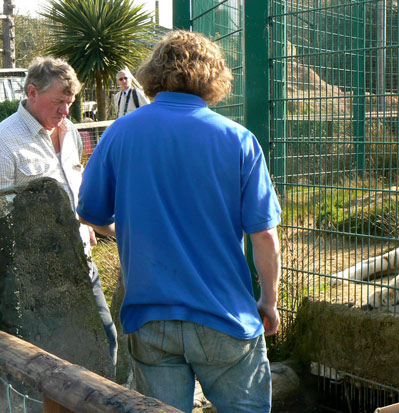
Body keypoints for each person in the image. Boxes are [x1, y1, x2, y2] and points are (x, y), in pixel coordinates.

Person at [77, 30, 281, 412]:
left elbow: (90, 212)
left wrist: (126, 232)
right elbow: (264, 235)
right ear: (215, 78)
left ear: (153, 73)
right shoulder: (238, 139)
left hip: (149, 317)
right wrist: (269, 301)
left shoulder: (120, 132)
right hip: (225, 316)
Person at [0, 56, 118, 371]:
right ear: (32, 92)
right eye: (57, 102)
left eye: (70, 102)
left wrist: (85, 225)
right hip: (36, 275)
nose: (65, 111)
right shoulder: (4, 140)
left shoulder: (71, 132)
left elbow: (73, 188)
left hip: (82, 261)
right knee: (51, 363)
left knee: (106, 342)